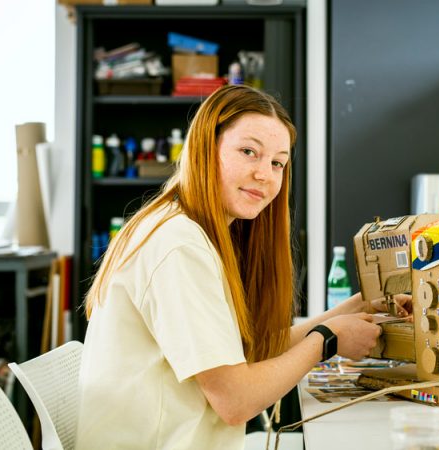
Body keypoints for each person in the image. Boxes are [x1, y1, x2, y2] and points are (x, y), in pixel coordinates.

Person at [75, 85, 411, 449]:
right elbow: (235, 401)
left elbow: (245, 354)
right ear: (207, 149)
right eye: (249, 152)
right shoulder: (178, 246)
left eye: (277, 162)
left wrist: (351, 311)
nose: (265, 174)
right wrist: (327, 342)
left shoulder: (187, 229)